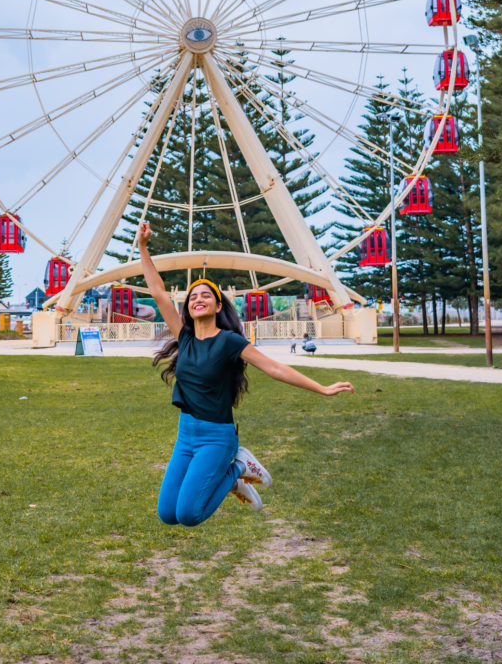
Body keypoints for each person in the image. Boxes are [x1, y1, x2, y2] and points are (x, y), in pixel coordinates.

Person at [138, 221, 354, 528]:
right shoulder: (183, 336)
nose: (198, 298)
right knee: (167, 514)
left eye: (206, 295)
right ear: (188, 307)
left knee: (189, 515)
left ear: (217, 306)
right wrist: (143, 248)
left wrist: (322, 388)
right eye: (193, 296)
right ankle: (235, 476)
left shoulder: (229, 341)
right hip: (186, 434)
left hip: (216, 437)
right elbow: (158, 292)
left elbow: (274, 367)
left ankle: (238, 468)